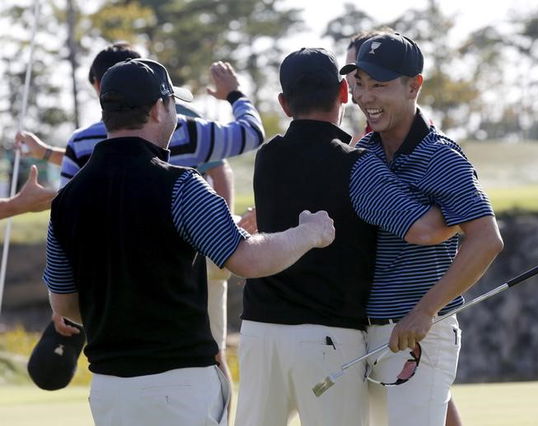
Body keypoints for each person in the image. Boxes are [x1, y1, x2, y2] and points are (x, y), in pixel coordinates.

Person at [43, 58, 335, 426]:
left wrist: (119, 317)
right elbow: (247, 259)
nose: (176, 116)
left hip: (108, 390)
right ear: (155, 109)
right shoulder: (181, 185)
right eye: (172, 104)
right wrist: (308, 233)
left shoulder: (66, 200)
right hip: (180, 383)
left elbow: (64, 301)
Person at [16, 42, 263, 384]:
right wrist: (235, 95)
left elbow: (70, 214)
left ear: (102, 89)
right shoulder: (191, 130)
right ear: (158, 103)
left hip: (121, 270)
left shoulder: (81, 142)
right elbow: (251, 133)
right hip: (200, 256)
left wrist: (67, 301)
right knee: (213, 354)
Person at [235, 47, 456, 426]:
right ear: (343, 92)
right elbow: (426, 230)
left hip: (259, 332)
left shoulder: (267, 154)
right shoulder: (356, 163)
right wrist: (459, 213)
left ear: (284, 104)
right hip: (328, 335)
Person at [340, 33, 504, 425]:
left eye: (379, 84)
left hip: (418, 337)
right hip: (370, 335)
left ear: (415, 85)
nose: (365, 96)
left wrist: (426, 311)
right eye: (360, 83)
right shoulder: (364, 152)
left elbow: (486, 239)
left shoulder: (440, 155)